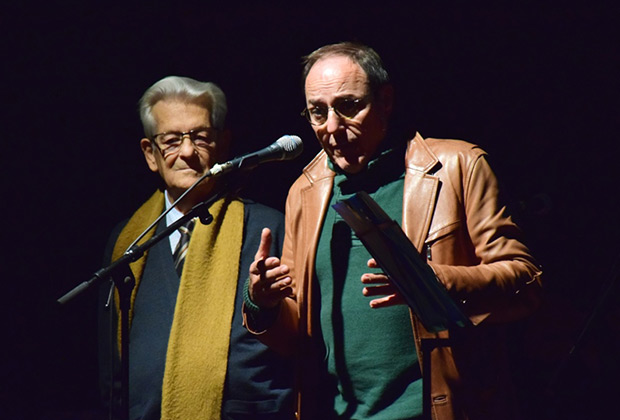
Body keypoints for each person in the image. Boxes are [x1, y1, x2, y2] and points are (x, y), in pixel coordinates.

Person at [243, 42, 543, 420]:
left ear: (385, 101)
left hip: (439, 409)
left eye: (349, 106)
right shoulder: (304, 192)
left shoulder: (456, 166)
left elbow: (526, 284)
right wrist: (263, 303)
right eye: (318, 113)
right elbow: (296, 338)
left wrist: (433, 282)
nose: (331, 127)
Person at [98, 75, 294, 420]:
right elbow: (112, 365)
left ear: (223, 144)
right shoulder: (126, 242)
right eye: (171, 140)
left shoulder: (269, 227)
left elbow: (298, 344)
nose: (187, 152)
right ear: (150, 154)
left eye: (200, 137)